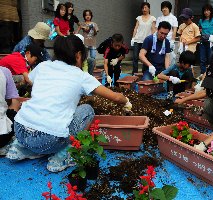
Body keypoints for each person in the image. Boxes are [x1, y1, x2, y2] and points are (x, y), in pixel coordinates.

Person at [5, 35, 132, 173]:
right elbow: (116, 97)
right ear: (78, 55)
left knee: (36, 116)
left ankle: (21, 148)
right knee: (87, 110)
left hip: (20, 129)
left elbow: (29, 80)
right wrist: (126, 102)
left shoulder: (43, 66)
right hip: (48, 140)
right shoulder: (81, 76)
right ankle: (62, 155)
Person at [131, 2, 156, 75]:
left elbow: (153, 29)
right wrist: (133, 38)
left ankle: (144, 73)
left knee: (145, 58)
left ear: (149, 8)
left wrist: (153, 39)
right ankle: (134, 73)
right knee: (135, 57)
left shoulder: (152, 18)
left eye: (145, 7)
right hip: (137, 40)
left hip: (147, 41)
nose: (144, 9)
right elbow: (136, 28)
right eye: (143, 8)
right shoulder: (139, 18)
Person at [198, 4, 213, 75]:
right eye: (205, 11)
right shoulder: (201, 20)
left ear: (211, 11)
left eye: (208, 10)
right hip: (202, 41)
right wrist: (200, 31)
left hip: (211, 42)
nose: (206, 12)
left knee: (211, 58)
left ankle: (211, 73)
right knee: (202, 59)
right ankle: (202, 74)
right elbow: (199, 28)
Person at [0, 67, 20, 155]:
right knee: (15, 100)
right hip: (1, 137)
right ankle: (11, 137)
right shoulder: (4, 71)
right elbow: (10, 101)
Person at [156, 1, 178, 66]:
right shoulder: (159, 18)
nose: (164, 9)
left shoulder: (173, 18)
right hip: (160, 39)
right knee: (160, 55)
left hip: (169, 40)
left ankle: (168, 70)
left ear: (169, 8)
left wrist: (172, 40)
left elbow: (174, 30)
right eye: (163, 8)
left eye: (166, 7)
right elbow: (156, 29)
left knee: (169, 56)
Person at [80, 9, 99, 75]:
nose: (88, 16)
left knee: (93, 56)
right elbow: (86, 30)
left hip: (93, 42)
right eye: (86, 15)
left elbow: (95, 33)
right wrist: (90, 27)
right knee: (85, 56)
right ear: (84, 16)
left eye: (89, 15)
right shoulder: (83, 24)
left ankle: (94, 68)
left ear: (91, 16)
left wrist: (93, 28)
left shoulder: (95, 24)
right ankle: (84, 67)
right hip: (85, 42)